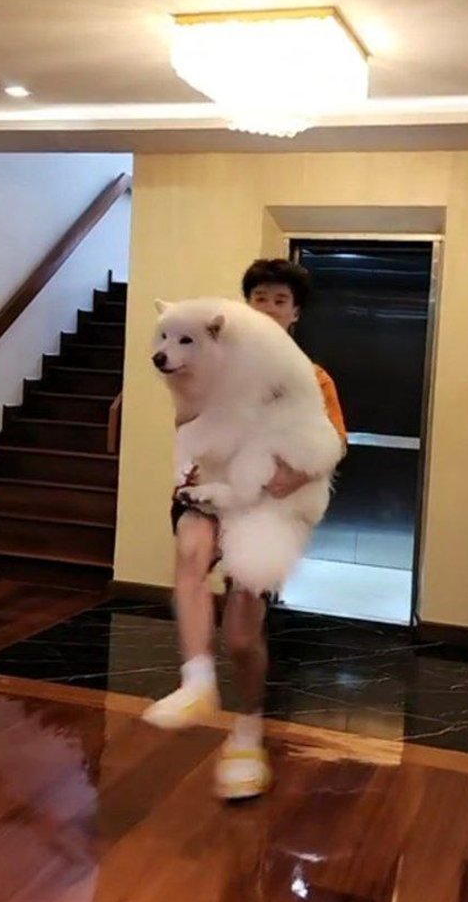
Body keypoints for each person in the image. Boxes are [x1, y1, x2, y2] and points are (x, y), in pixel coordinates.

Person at [144, 259, 346, 800]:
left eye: (280, 300)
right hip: (211, 492)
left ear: (295, 313)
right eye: (260, 298)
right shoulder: (212, 361)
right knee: (191, 553)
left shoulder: (313, 378)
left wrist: (288, 478)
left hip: (267, 507)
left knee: (241, 633)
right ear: (243, 308)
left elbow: (333, 444)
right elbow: (187, 424)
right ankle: (196, 681)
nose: (269, 308)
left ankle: (248, 729)